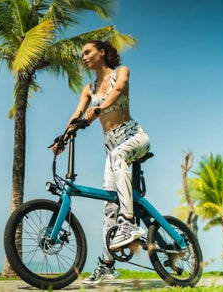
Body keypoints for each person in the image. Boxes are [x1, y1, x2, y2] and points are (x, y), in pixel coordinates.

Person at [52, 40, 150, 284]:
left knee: (119, 157)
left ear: (102, 52)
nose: (83, 57)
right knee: (108, 205)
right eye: (82, 54)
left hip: (134, 136)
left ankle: (129, 223)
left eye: (87, 52)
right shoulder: (89, 88)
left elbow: (118, 91)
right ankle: (107, 264)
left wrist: (99, 109)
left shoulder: (121, 72)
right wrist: (63, 137)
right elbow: (76, 115)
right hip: (111, 146)